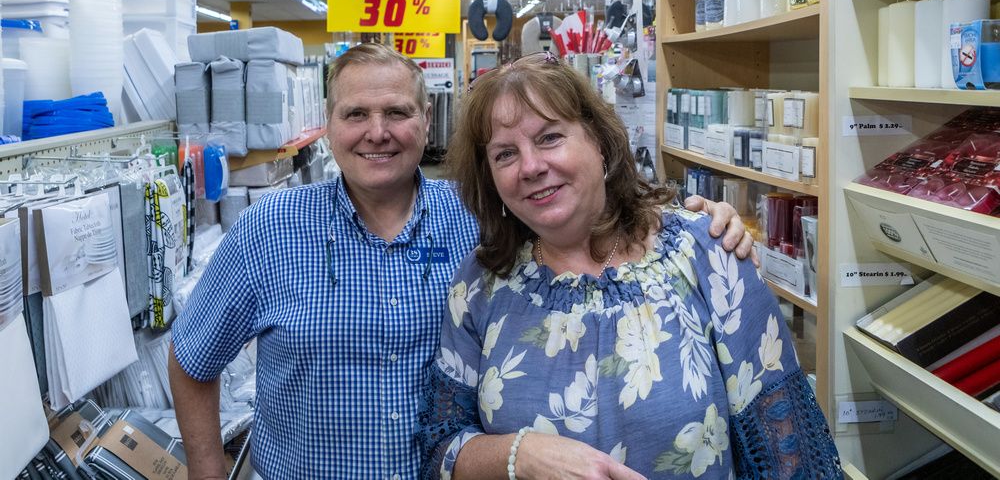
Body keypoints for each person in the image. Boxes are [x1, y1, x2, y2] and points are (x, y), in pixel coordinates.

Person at [168, 44, 754, 480]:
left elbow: (587, 213)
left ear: (427, 122)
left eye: (397, 112)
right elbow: (193, 359)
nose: (378, 132)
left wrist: (696, 221)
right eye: (355, 115)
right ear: (327, 127)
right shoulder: (267, 231)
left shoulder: (486, 220)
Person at [420, 52, 840, 480]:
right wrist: (519, 455)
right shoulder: (482, 284)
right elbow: (443, 449)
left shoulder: (706, 253)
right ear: (489, 176)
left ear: (599, 143)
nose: (531, 167)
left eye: (549, 138)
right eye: (505, 154)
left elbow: (790, 453)